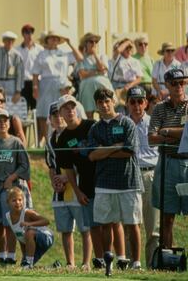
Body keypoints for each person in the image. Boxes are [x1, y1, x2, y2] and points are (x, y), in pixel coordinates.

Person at [88, 88, 143, 272]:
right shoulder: (95, 128)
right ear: (96, 105)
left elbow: (129, 152)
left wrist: (105, 150)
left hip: (129, 182)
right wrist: (115, 146)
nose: (104, 105)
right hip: (104, 183)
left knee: (132, 223)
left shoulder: (127, 123)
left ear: (114, 102)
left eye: (107, 101)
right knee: (105, 224)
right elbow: (93, 156)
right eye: (100, 102)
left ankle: (136, 263)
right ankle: (109, 262)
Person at [55, 94, 105, 269]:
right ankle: (100, 261)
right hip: (85, 185)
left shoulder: (92, 126)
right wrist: (77, 192)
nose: (70, 110)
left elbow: (103, 148)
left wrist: (87, 150)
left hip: (104, 180)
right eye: (65, 108)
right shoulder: (62, 139)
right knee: (93, 226)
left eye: (72, 107)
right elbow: (68, 170)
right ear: (60, 112)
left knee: (109, 224)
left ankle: (114, 259)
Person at [44, 101, 89, 269]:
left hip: (77, 187)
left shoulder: (75, 135)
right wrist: (55, 182)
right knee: (65, 229)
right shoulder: (49, 141)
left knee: (85, 228)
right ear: (50, 119)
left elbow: (82, 162)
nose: (58, 118)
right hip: (60, 192)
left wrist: (67, 178)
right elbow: (50, 166)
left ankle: (86, 263)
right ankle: (70, 262)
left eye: (59, 114)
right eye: (54, 115)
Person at [147, 68, 188, 249]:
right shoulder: (159, 108)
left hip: (187, 162)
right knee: (167, 215)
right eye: (174, 83)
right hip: (167, 162)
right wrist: (182, 134)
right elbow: (151, 139)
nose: (179, 86)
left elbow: (160, 134)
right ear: (166, 85)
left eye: (182, 82)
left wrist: (167, 131)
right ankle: (167, 257)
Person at [0, 108, 31, 266]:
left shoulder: (16, 142)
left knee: (12, 225)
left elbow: (25, 165)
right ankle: (1, 256)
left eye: (5, 120)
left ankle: (12, 257)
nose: (3, 123)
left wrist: (12, 177)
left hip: (10, 191)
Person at [124, 86, 159, 266]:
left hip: (149, 174)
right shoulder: (122, 124)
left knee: (153, 227)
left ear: (145, 103)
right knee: (130, 224)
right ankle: (130, 264)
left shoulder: (154, 122)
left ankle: (153, 265)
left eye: (140, 101)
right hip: (129, 176)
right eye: (133, 102)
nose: (137, 105)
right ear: (127, 104)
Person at [32, 31, 82, 146]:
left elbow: (79, 58)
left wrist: (69, 43)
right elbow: (35, 73)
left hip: (62, 84)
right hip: (45, 83)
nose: (54, 40)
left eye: (56, 38)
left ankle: (62, 137)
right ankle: (46, 140)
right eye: (52, 38)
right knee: (44, 111)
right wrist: (35, 87)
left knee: (62, 109)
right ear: (47, 40)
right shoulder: (41, 54)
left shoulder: (64, 53)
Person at [5, 186, 54, 269]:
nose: (17, 202)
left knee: (29, 232)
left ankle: (28, 262)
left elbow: (46, 221)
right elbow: (21, 238)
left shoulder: (27, 213)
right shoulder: (8, 216)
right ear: (8, 202)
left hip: (46, 237)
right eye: (14, 200)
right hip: (33, 240)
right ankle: (53, 267)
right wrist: (24, 256)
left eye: (20, 200)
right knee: (24, 267)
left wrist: (30, 223)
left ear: (23, 201)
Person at [0, 32, 25, 119]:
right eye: (7, 40)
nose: (10, 42)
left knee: (10, 107)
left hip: (11, 84)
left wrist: (18, 91)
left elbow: (20, 75)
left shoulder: (17, 56)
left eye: (12, 40)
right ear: (3, 41)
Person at [74, 33, 112, 117]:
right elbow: (83, 74)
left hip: (102, 86)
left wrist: (95, 54)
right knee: (88, 113)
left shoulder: (102, 56)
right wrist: (97, 72)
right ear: (86, 43)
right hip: (87, 88)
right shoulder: (81, 58)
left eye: (96, 42)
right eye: (91, 41)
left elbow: (102, 68)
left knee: (104, 110)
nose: (94, 44)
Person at [17, 25, 43, 115]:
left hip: (37, 82)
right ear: (23, 34)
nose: (30, 35)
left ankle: (39, 129)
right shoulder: (17, 50)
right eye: (27, 32)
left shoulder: (40, 49)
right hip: (23, 83)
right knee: (23, 110)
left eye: (31, 32)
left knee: (37, 110)